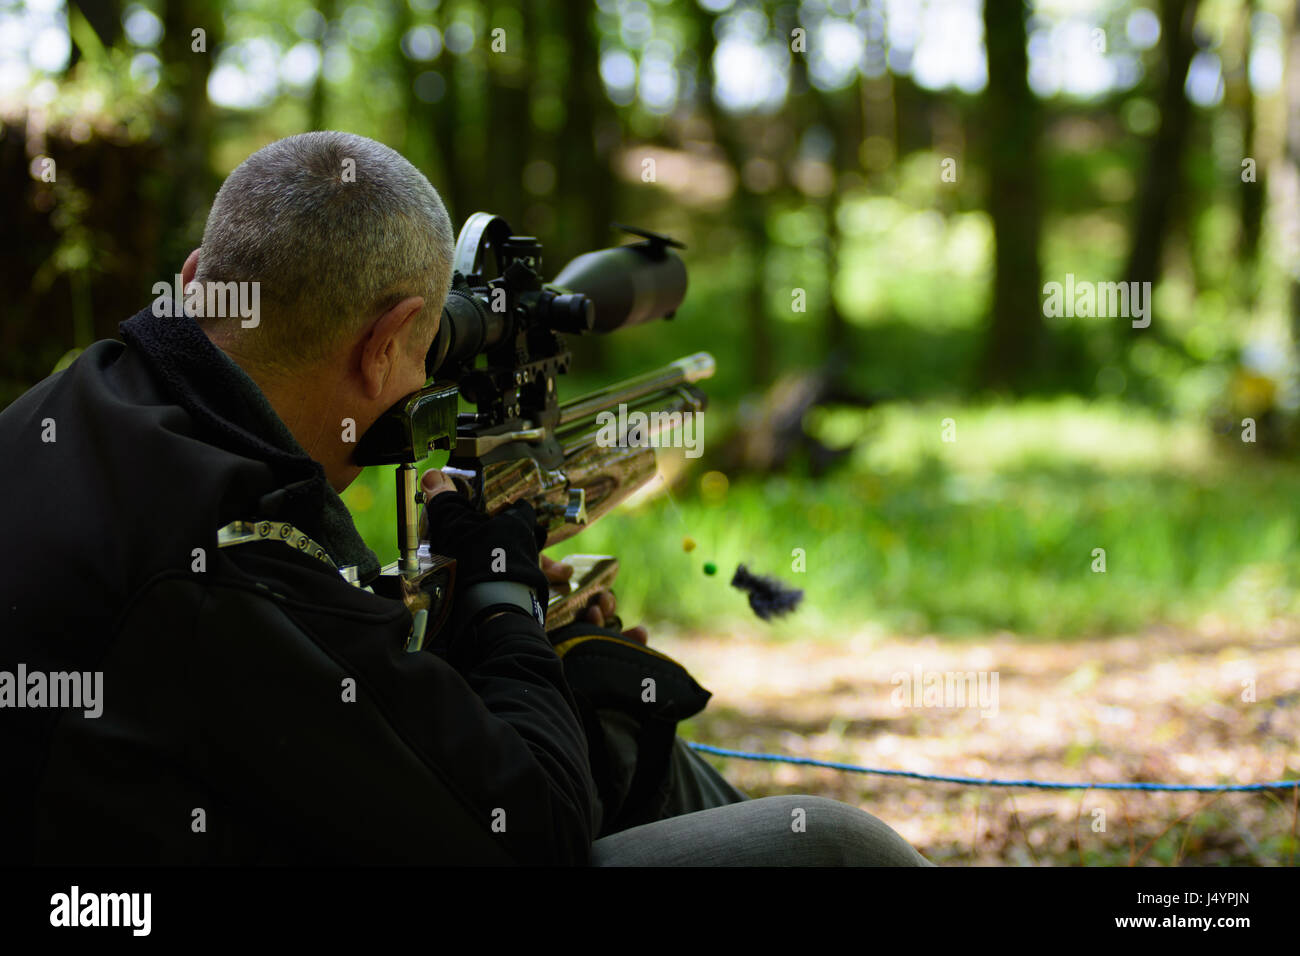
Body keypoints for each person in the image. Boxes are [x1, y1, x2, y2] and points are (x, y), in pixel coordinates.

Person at [0, 131, 932, 866]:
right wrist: (508, 606)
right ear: (385, 343)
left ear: (202, 274)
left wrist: (475, 631)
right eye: (425, 352)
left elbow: (282, 702)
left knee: (615, 738)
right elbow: (530, 834)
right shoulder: (236, 555)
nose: (422, 380)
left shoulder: (72, 404)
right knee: (840, 848)